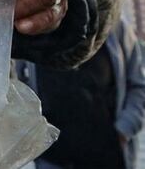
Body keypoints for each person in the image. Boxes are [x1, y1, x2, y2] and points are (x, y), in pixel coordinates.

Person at [17, 19, 145, 168]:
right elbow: (18, 87)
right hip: (53, 159)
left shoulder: (116, 27)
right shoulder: (30, 28)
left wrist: (124, 130)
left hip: (108, 156)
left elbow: (138, 86)